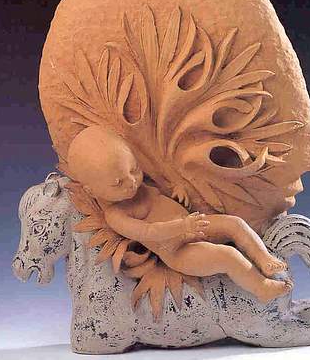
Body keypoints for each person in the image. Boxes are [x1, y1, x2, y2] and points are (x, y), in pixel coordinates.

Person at [67, 125, 293, 303]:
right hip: (180, 252)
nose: (132, 182)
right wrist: (182, 227)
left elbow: (162, 190)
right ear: (91, 190)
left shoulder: (140, 186)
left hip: (194, 226)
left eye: (134, 169)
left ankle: (264, 259)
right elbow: (149, 232)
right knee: (227, 256)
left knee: (235, 223)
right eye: (118, 183)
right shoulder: (116, 215)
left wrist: (177, 190)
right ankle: (261, 288)